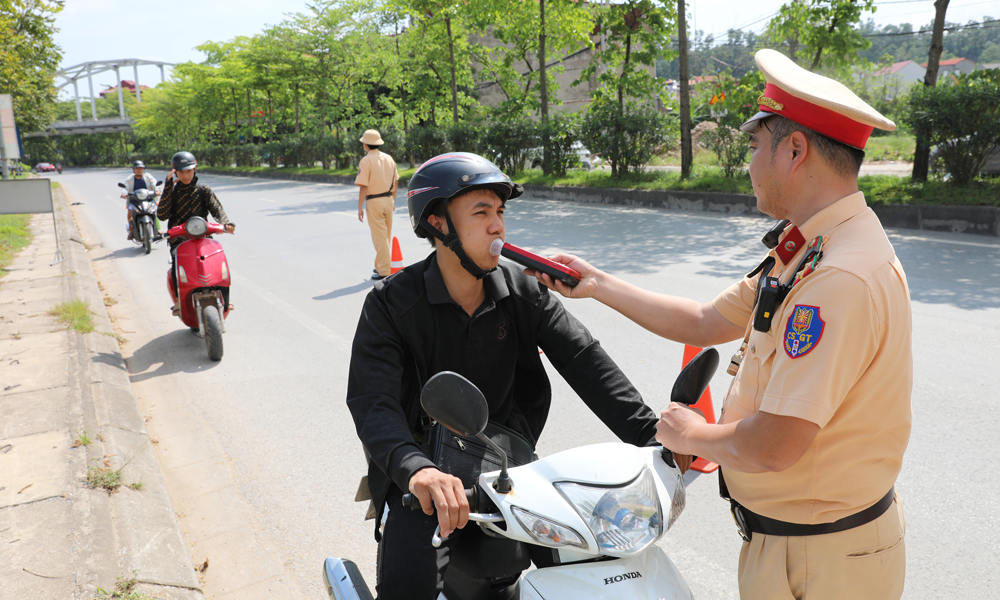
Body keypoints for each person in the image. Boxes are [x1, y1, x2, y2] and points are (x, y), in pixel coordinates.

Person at [529, 49, 912, 600]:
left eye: (754, 147)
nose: (748, 163)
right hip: (800, 544)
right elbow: (707, 320)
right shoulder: (810, 249)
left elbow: (776, 444)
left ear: (796, 150)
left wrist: (690, 434)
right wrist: (598, 284)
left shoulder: (838, 277)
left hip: (823, 560)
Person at [346, 152, 661, 600]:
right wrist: (415, 469)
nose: (498, 226)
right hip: (425, 481)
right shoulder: (391, 305)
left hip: (509, 468)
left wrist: (652, 437)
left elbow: (584, 360)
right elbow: (371, 401)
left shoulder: (523, 290)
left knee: (597, 575)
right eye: (481, 212)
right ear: (438, 224)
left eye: (500, 212)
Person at [157, 151, 235, 315]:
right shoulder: (171, 192)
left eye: (189, 171)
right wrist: (168, 186)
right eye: (181, 172)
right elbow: (162, 215)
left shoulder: (204, 190)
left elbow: (217, 209)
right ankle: (179, 301)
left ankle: (224, 298)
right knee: (177, 265)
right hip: (179, 239)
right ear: (175, 172)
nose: (186, 175)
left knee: (219, 262)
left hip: (203, 237)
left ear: (195, 169)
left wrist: (225, 223)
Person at [355, 129, 399, 280]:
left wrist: (360, 206)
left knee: (379, 238)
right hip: (388, 199)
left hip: (374, 201)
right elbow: (396, 182)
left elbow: (363, 186)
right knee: (385, 235)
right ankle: (380, 265)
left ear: (366, 145)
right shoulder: (389, 159)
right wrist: (392, 199)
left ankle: (385, 271)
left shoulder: (365, 161)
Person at [121, 160, 160, 240]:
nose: (139, 170)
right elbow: (125, 187)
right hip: (134, 200)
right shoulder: (130, 178)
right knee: (130, 213)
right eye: (136, 168)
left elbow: (155, 184)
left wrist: (157, 190)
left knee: (155, 211)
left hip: (148, 199)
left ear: (143, 169)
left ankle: (158, 229)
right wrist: (124, 193)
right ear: (133, 169)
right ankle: (131, 232)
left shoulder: (148, 177)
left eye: (141, 168)